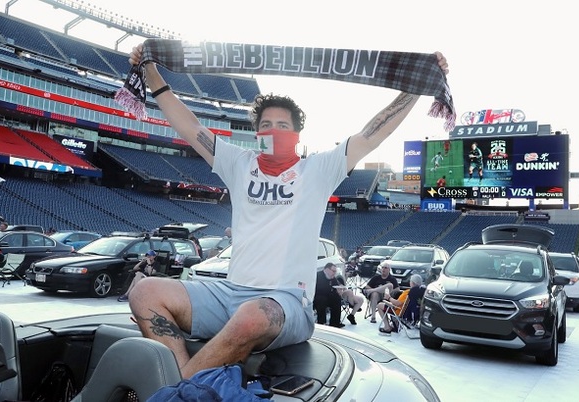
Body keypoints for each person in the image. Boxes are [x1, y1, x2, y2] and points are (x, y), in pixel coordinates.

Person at [126, 43, 449, 379]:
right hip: (229, 292)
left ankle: (176, 392)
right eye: (266, 125)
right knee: (145, 291)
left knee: (252, 315)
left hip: (286, 302)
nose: (274, 131)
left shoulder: (317, 171)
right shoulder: (239, 163)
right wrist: (151, 72)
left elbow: (371, 135)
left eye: (283, 125)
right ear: (257, 133)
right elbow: (190, 127)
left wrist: (416, 88)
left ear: (296, 134)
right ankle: (182, 379)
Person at [313, 263, 345, 328]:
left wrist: (339, 289)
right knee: (322, 300)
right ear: (327, 269)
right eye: (333, 271)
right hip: (317, 297)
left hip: (328, 296)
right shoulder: (318, 275)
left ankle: (335, 322)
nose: (334, 273)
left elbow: (336, 286)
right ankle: (321, 322)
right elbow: (319, 289)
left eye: (335, 271)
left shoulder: (332, 277)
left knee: (337, 299)